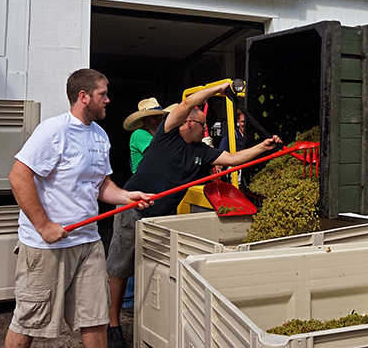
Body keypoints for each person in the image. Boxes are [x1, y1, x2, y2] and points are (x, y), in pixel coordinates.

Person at [105, 82, 282, 348]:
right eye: (203, 126)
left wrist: (265, 147)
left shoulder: (203, 152)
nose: (206, 130)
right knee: (120, 268)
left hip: (162, 219)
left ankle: (152, 320)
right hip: (132, 208)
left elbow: (234, 159)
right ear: (188, 124)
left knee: (155, 270)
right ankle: (113, 325)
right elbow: (187, 104)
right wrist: (219, 89)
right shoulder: (166, 135)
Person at [4, 68, 154, 348]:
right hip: (47, 247)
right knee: (29, 320)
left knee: (95, 318)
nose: (108, 100)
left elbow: (101, 185)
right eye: (103, 94)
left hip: (88, 242)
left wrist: (127, 197)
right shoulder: (54, 131)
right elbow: (18, 176)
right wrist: (45, 226)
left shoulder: (99, 136)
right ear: (83, 97)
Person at [119, 98, 174, 314]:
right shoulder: (140, 135)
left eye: (161, 115)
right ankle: (129, 300)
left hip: (155, 195)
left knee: (151, 247)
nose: (160, 119)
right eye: (155, 116)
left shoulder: (158, 134)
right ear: (145, 120)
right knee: (133, 248)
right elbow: (160, 153)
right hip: (139, 197)